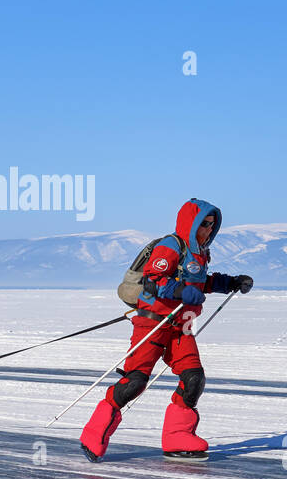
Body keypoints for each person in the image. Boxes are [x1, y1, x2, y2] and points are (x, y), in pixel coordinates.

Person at [80, 198, 251, 461]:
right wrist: (183, 290)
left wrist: (231, 282)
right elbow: (153, 280)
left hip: (181, 326)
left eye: (211, 226)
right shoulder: (171, 245)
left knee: (194, 379)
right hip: (153, 322)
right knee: (134, 382)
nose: (207, 230)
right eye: (203, 224)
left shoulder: (200, 253)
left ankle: (177, 438)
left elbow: (202, 282)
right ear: (191, 222)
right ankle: (93, 435)